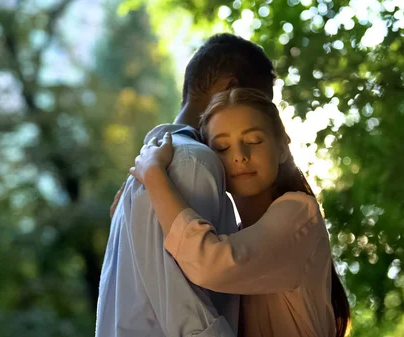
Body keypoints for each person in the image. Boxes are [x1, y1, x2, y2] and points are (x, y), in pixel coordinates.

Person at [129, 88, 351, 337]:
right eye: (222, 148)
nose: (239, 157)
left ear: (282, 148)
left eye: (254, 141)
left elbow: (209, 263)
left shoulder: (301, 214)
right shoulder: (233, 230)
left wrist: (153, 174)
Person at [95, 34, 276, 337]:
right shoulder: (194, 162)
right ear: (231, 89)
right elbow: (191, 319)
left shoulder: (148, 170)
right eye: (259, 103)